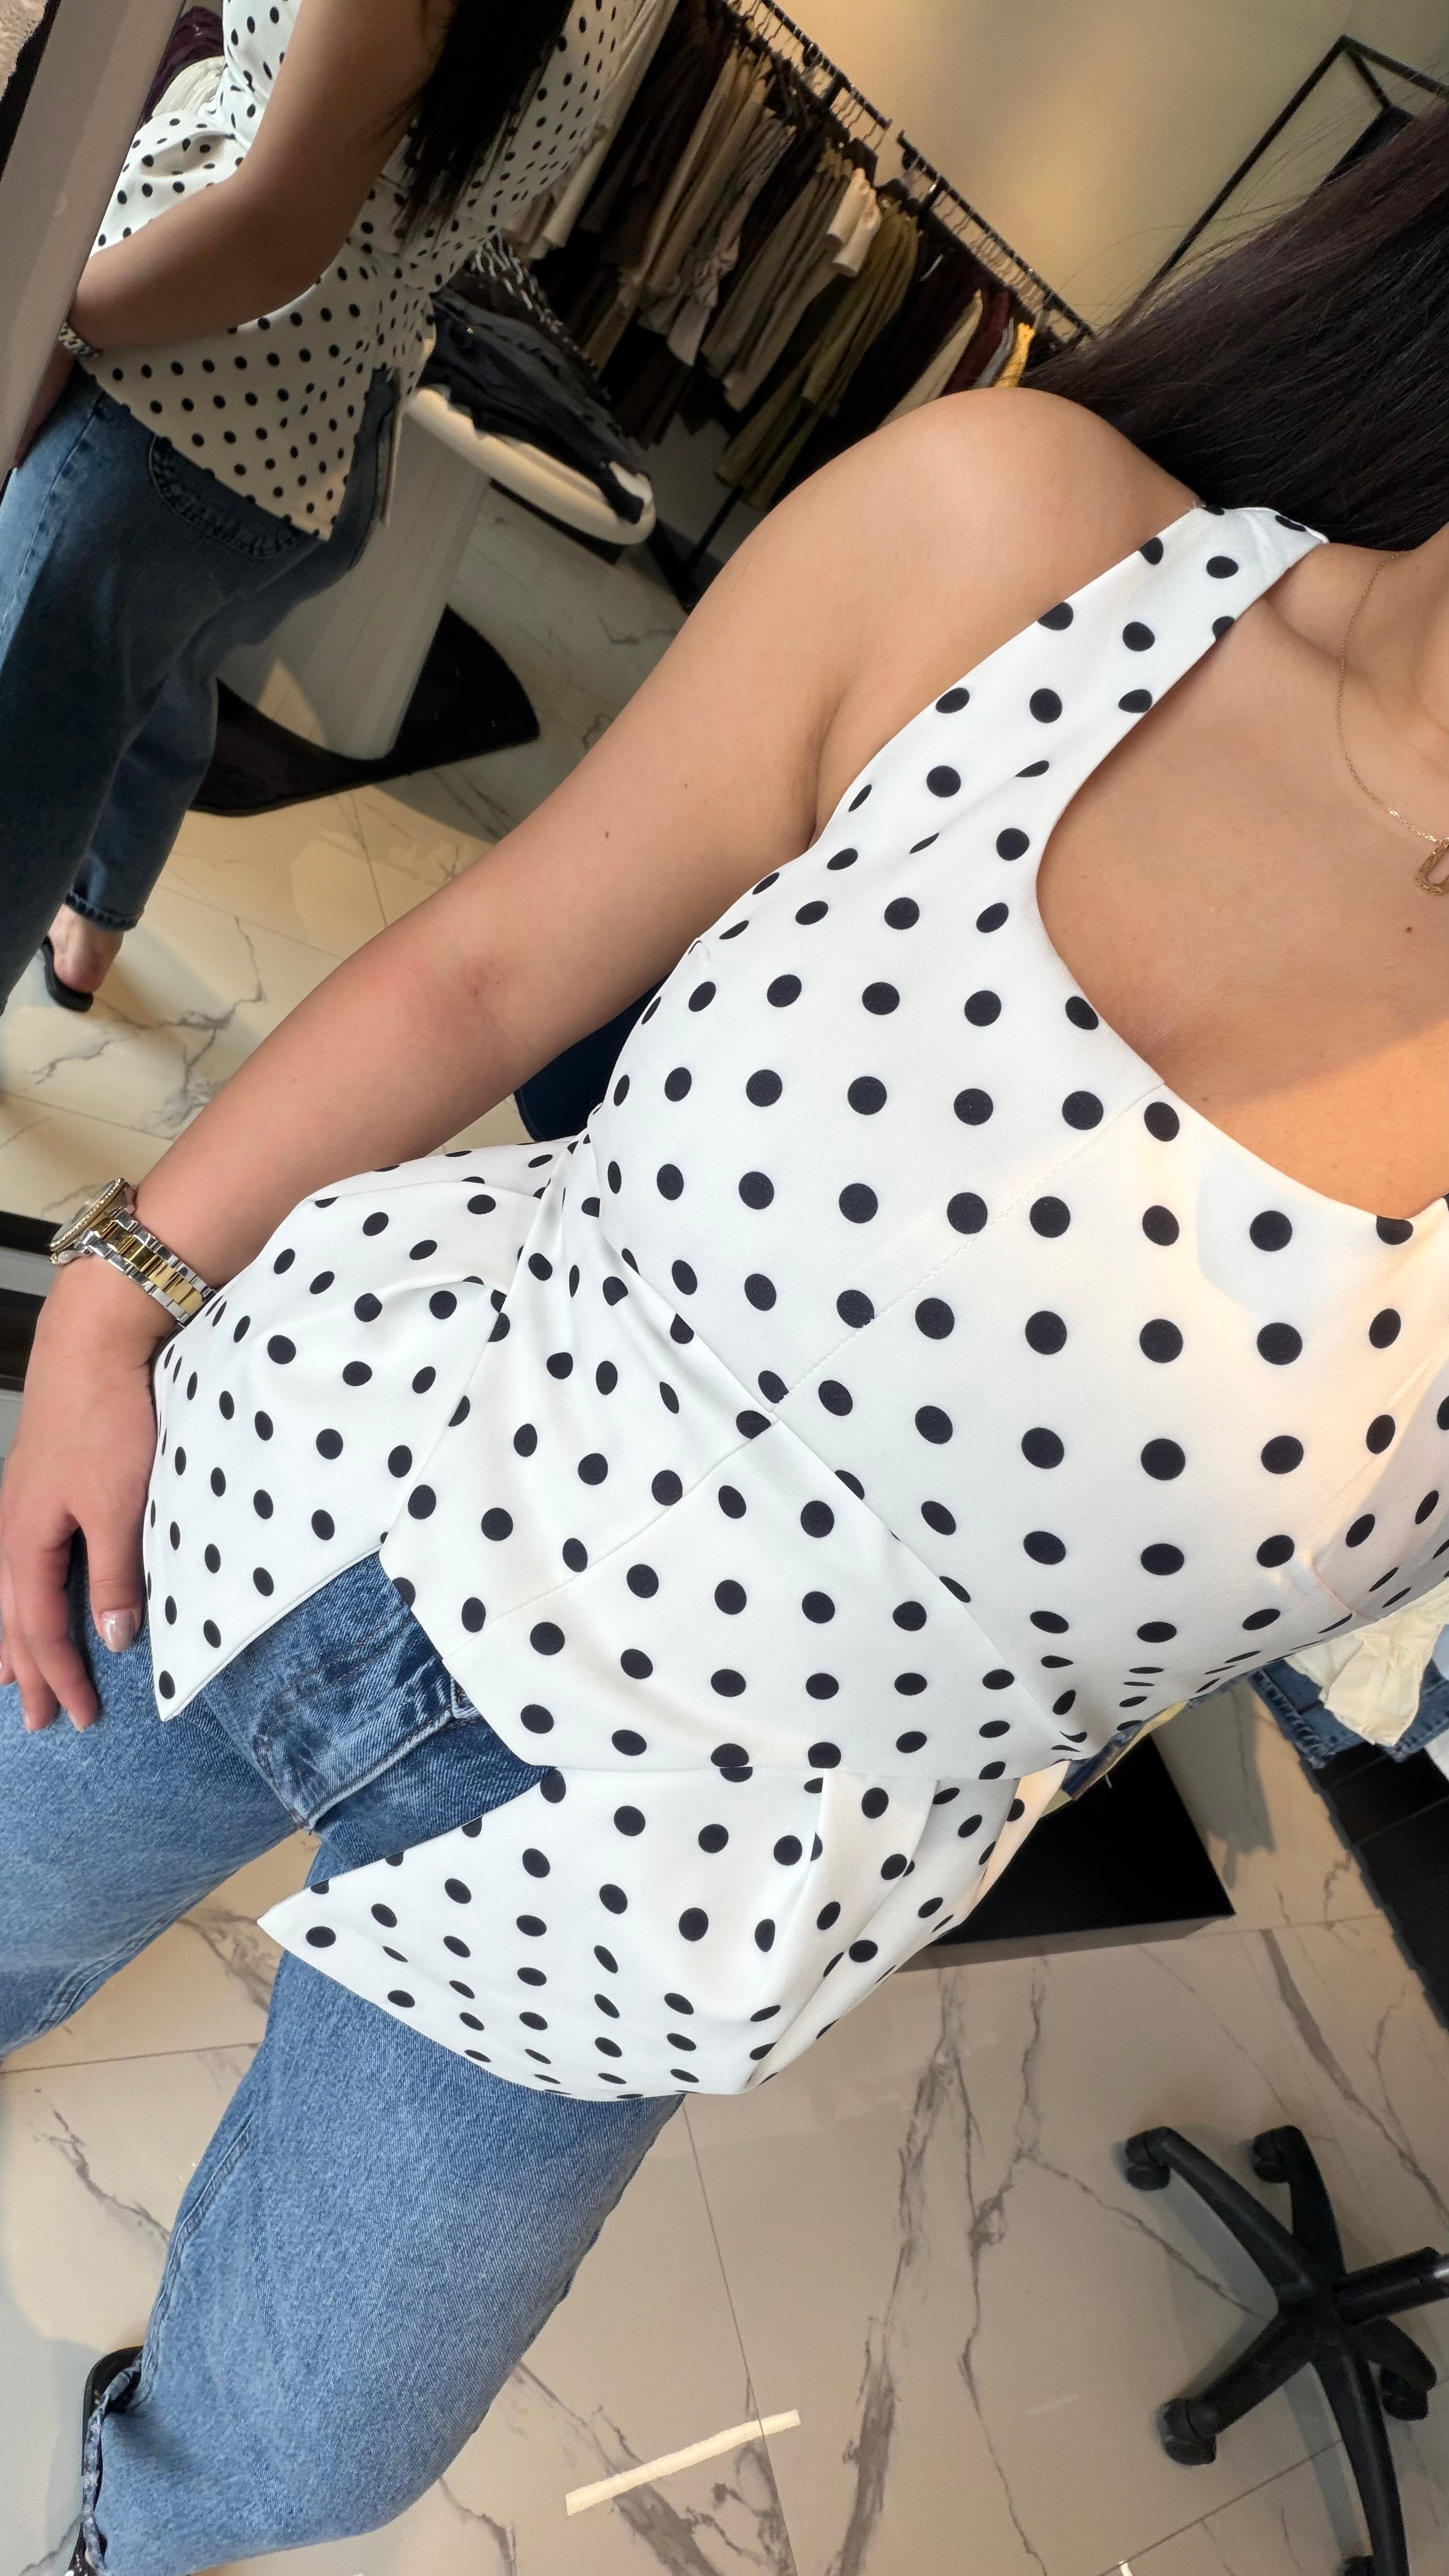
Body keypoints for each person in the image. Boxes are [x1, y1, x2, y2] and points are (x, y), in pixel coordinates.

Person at [3, 95, 1447, 2576]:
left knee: (310, 2438)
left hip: (676, 1880)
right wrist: (114, 1302)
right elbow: (489, 964)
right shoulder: (1023, 543)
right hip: (324, 1470)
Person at [0, 0, 634, 1012]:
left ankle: (87, 914)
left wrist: (56, 328)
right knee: (147, 678)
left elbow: (272, 234)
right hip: (329, 417)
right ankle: (96, 920)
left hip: (171, 381)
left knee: (28, 747)